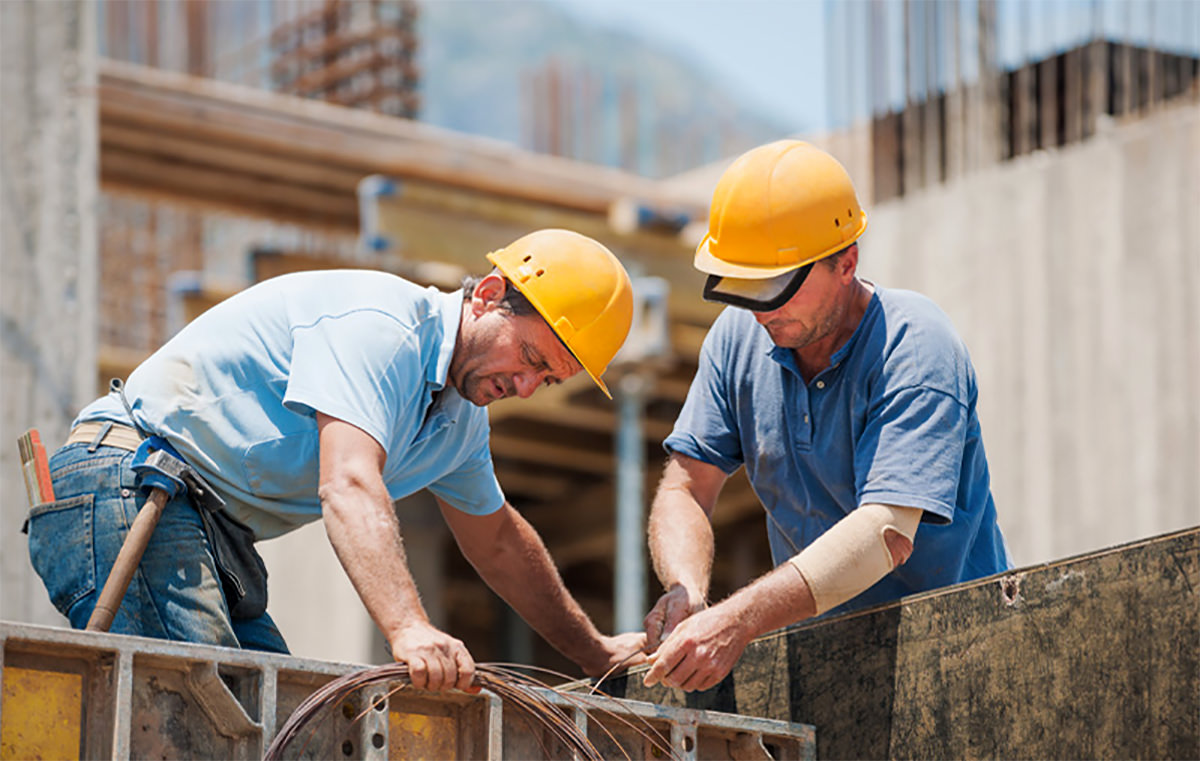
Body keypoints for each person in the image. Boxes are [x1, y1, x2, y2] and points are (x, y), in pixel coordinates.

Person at [26, 228, 646, 691]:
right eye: (531, 358)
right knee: (205, 718)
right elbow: (348, 483)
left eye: (549, 379)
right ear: (488, 295)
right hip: (126, 483)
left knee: (277, 722)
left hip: (200, 524)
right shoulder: (384, 328)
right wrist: (408, 627)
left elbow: (500, 544)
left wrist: (593, 652)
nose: (528, 387)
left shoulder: (457, 424)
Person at [641, 141, 1012, 692]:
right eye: (746, 288)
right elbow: (686, 488)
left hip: (960, 654)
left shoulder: (915, 346)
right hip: (825, 664)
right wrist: (686, 591)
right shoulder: (737, 340)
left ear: (847, 264)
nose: (761, 311)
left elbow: (886, 533)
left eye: (777, 287)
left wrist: (737, 620)